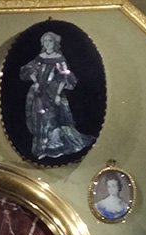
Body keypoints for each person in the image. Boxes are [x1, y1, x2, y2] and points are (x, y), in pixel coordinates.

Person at [19, 31, 94, 160]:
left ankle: (52, 148)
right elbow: (29, 69)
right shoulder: (40, 57)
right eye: (45, 41)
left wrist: (58, 94)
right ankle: (41, 149)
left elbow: (64, 77)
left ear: (55, 43)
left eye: (50, 41)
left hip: (53, 92)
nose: (47, 44)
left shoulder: (59, 58)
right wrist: (36, 81)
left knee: (52, 120)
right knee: (39, 120)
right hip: (39, 93)